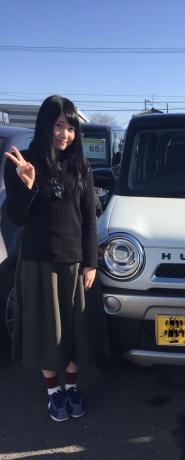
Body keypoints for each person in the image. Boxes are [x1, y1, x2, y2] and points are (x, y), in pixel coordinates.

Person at [4, 95, 98, 422]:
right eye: (59, 125)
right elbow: (16, 218)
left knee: (75, 333)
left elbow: (89, 219)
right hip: (37, 263)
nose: (65, 134)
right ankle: (53, 393)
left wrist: (91, 263)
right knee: (46, 333)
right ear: (45, 125)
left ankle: (72, 387)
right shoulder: (23, 162)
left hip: (74, 263)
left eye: (71, 127)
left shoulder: (81, 166)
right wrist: (29, 186)